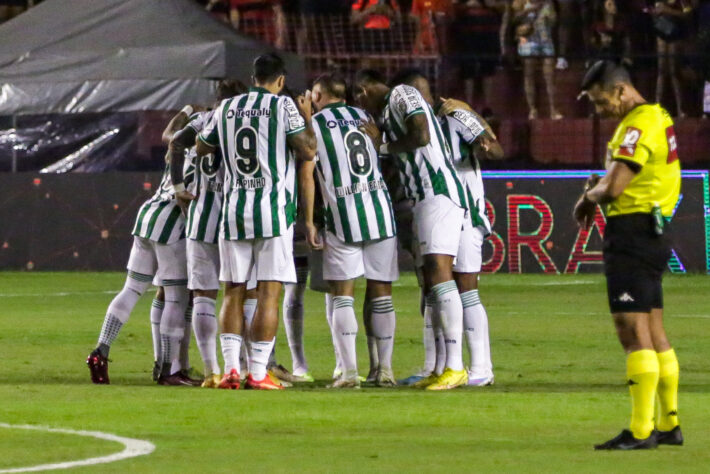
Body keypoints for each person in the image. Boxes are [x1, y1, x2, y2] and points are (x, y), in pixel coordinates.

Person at [575, 60, 682, 450]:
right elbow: (619, 175)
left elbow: (617, 185)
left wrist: (590, 195)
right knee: (654, 332)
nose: (600, 111)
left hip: (633, 234)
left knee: (632, 332)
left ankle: (641, 431)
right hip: (652, 233)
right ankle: (670, 424)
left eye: (602, 102)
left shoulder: (638, 125)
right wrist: (597, 185)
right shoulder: (657, 116)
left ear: (621, 90)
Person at [196, 53, 317, 390]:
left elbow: (201, 146)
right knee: (268, 293)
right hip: (272, 213)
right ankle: (259, 373)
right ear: (280, 81)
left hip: (234, 212)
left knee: (232, 292)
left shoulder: (227, 107)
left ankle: (231, 370)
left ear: (253, 77)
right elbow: (308, 150)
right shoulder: (282, 106)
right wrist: (306, 117)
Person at [354, 69, 469, 391]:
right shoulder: (389, 113)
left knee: (440, 273)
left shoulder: (401, 94)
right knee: (430, 282)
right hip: (421, 199)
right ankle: (439, 366)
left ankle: (456, 367)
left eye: (361, 96)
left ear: (365, 89)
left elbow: (421, 136)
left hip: (438, 192)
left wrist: (382, 146)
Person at [393, 69, 503, 387]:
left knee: (466, 288)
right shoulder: (411, 129)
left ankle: (481, 369)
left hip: (466, 215)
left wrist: (473, 116)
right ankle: (434, 367)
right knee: (431, 289)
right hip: (431, 212)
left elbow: (496, 150)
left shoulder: (455, 120)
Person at [300, 72, 399, 388]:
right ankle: (384, 370)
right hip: (380, 213)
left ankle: (350, 373)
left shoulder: (314, 125)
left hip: (342, 215)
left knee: (343, 295)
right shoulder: (365, 115)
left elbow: (308, 172)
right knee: (382, 292)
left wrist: (309, 220)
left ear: (318, 96)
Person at [86, 106, 198, 386]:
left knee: (132, 288)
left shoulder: (179, 143)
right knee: (176, 297)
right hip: (172, 222)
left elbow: (168, 134)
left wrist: (186, 110)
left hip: (148, 214)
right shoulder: (209, 149)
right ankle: (168, 370)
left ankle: (101, 350)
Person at [168, 81, 243, 388]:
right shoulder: (239, 119)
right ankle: (242, 367)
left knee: (203, 296)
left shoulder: (201, 120)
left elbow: (174, 142)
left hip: (201, 217)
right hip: (234, 220)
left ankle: (211, 371)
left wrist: (178, 187)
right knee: (240, 293)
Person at [511, 0, 563, 119]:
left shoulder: (548, 3)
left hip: (545, 38)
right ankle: (532, 109)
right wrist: (528, 11)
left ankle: (553, 109)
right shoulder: (521, 2)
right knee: (529, 75)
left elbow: (554, 21)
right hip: (528, 40)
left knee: (550, 75)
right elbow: (513, 20)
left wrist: (549, 17)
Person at [646, 0, 693, 118]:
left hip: (676, 32)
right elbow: (653, 9)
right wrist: (654, 12)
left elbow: (688, 14)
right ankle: (657, 107)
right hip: (662, 30)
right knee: (661, 71)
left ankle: (681, 109)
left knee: (673, 71)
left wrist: (669, 11)